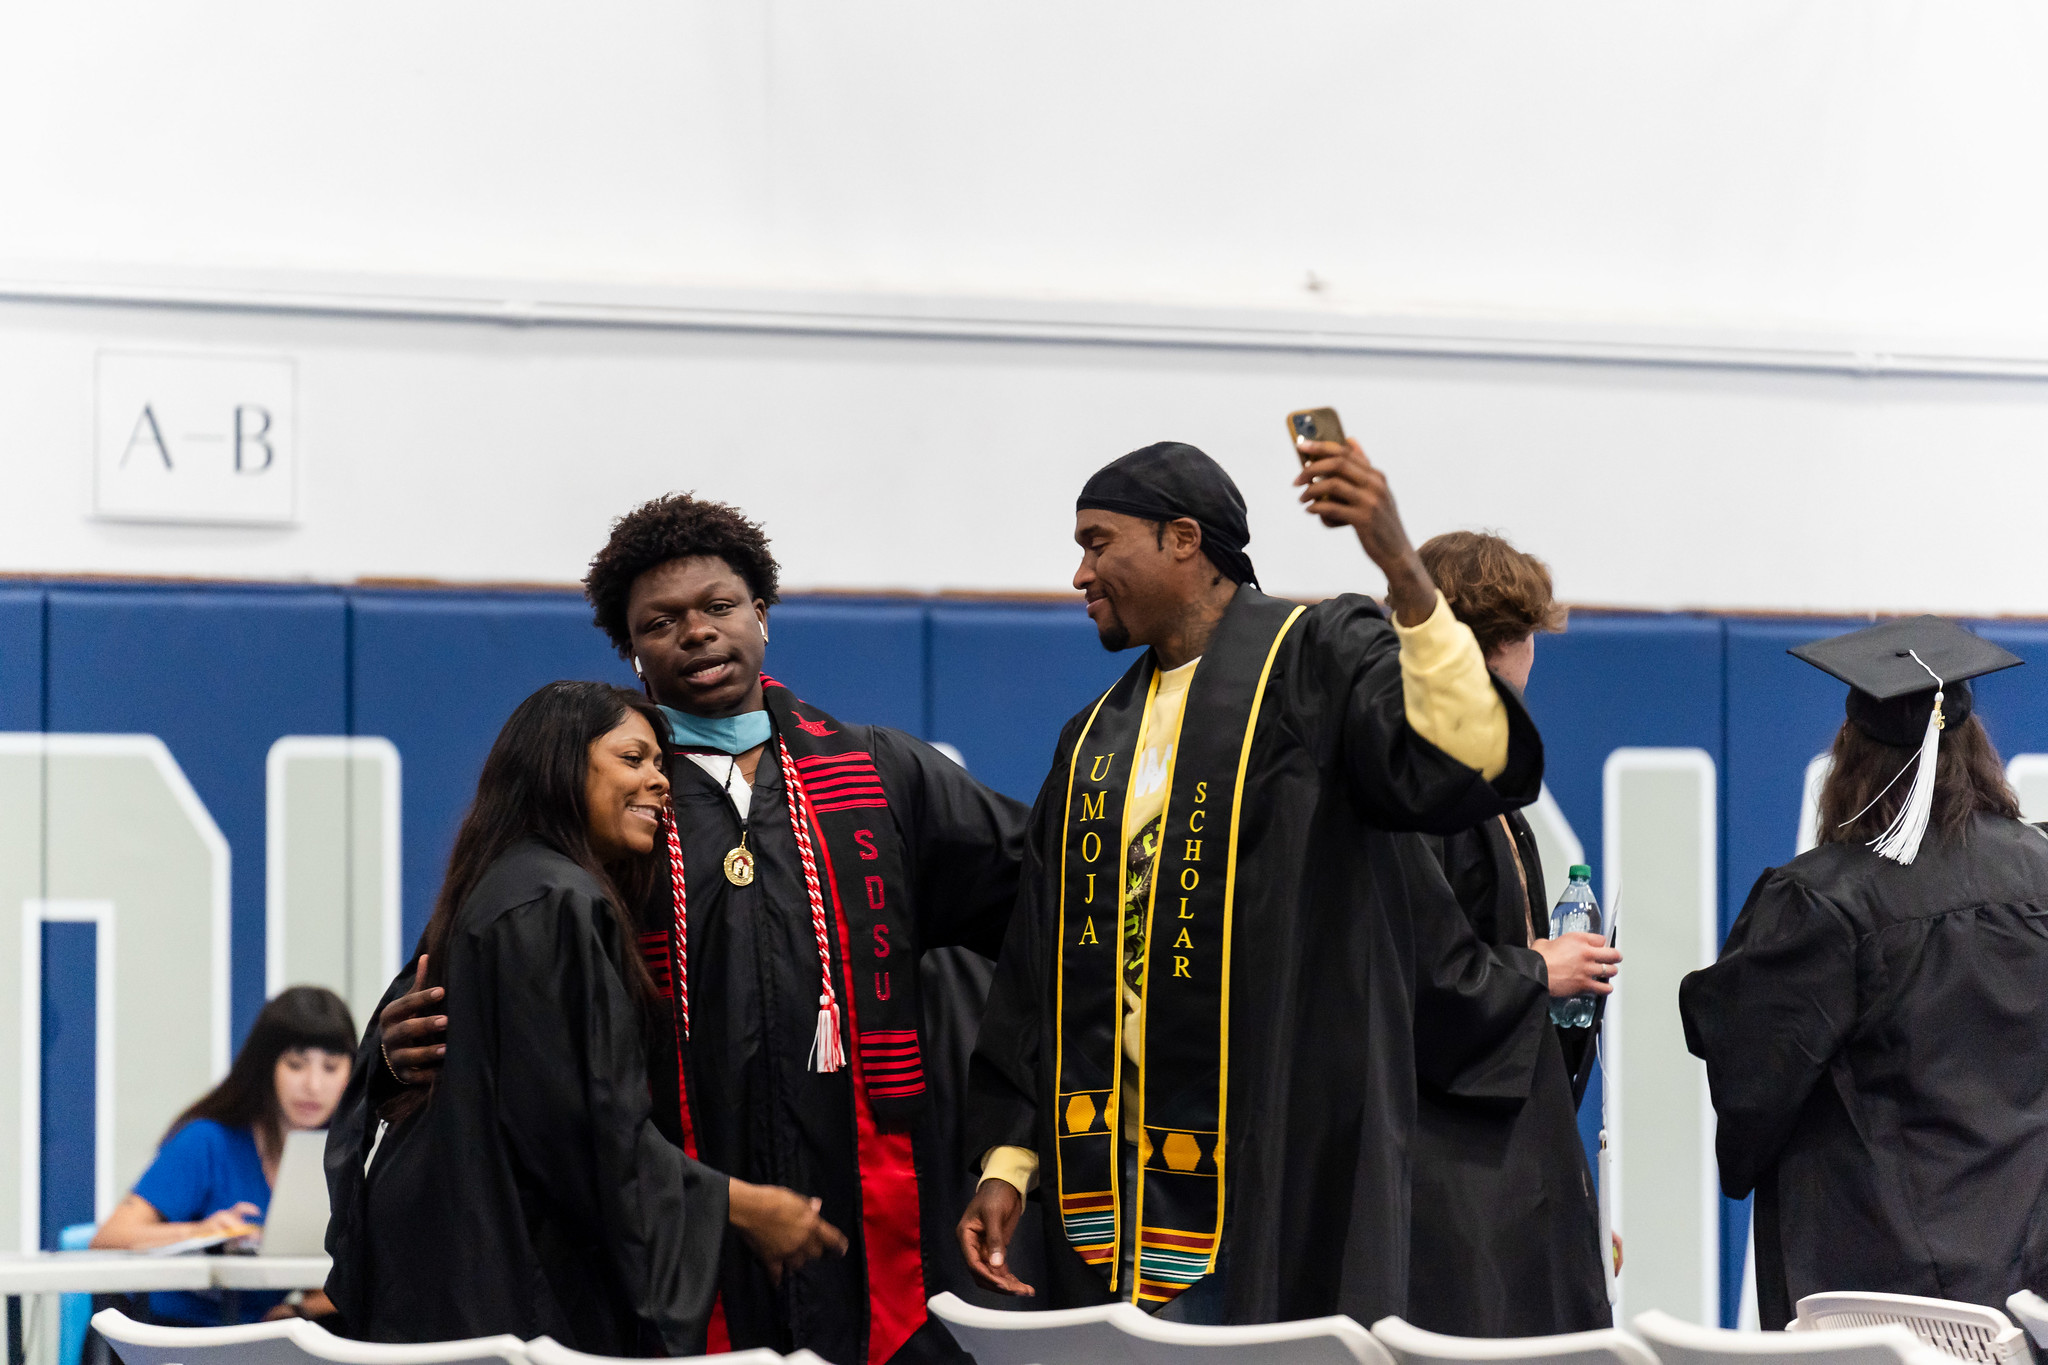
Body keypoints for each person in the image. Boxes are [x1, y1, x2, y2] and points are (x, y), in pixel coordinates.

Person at [356, 496, 1028, 1365]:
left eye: (718, 607)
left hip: (863, 1197)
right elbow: (482, 948)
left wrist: (1010, 1145)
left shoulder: (877, 772)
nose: (697, 634)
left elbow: (1040, 907)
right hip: (670, 1205)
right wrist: (393, 1042)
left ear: (762, 614)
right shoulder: (609, 791)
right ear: (631, 649)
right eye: (661, 622)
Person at [960, 437, 1545, 1325]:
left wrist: (1397, 558)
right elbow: (1035, 965)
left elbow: (1467, 760)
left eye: (1098, 541)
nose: (1080, 573)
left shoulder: (1317, 660)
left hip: (1282, 1154)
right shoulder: (1092, 739)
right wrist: (1011, 1160)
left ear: (1183, 539)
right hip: (1112, 1191)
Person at [327, 681, 738, 1352]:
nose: (661, 782)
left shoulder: (502, 883)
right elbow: (576, 1124)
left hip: (443, 1244)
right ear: (561, 765)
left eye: (662, 763)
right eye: (634, 758)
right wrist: (735, 1206)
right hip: (500, 1266)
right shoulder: (553, 899)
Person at [1681, 615, 2048, 1327]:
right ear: (1976, 748)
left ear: (1852, 757)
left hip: (1879, 1300)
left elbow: (1752, 1078)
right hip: (2028, 1298)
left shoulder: (1822, 900)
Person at [1406, 530, 1614, 1336]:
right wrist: (1539, 968)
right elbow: (1422, 978)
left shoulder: (1470, 773)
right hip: (1455, 1183)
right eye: (1528, 641)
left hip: (1508, 1166)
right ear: (1502, 645)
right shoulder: (1422, 780)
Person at [92, 986, 354, 1325]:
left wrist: (298, 1310)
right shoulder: (208, 1141)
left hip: (253, 1339)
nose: (313, 1085)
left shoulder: (341, 1156)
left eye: (331, 1068)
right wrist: (202, 1233)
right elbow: (108, 1239)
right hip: (160, 1333)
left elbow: (333, 1281)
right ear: (266, 1066)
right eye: (295, 1065)